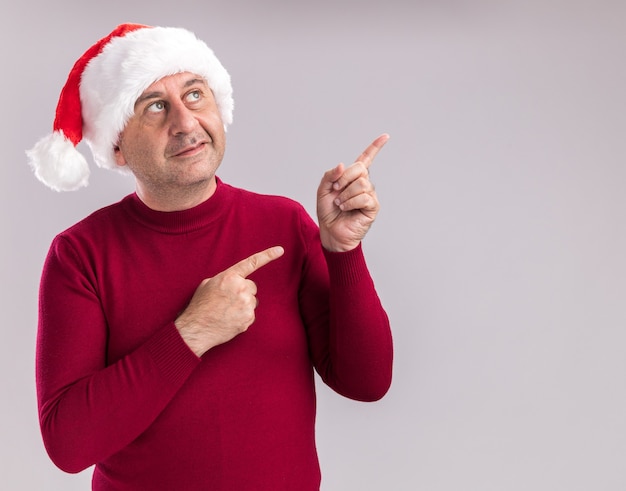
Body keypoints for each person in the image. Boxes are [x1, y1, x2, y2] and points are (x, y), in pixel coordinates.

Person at [27, 23, 393, 491]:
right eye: (155, 107)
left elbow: (367, 382)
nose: (184, 122)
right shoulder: (80, 255)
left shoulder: (284, 224)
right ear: (117, 147)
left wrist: (343, 252)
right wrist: (192, 331)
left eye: (195, 94)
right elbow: (68, 444)